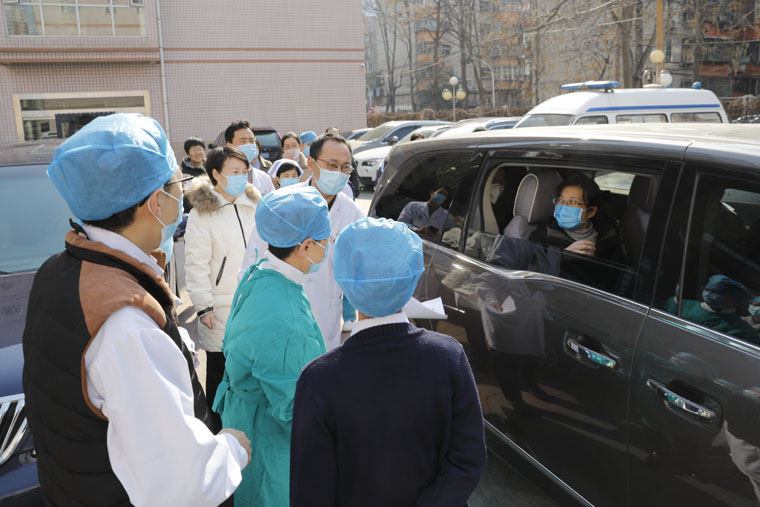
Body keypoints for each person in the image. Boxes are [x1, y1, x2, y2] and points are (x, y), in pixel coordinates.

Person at [22, 113, 250, 506]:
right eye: (176, 186)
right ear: (154, 202)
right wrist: (232, 446)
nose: (181, 197)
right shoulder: (126, 323)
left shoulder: (60, 269)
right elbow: (183, 484)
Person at [290, 217, 487, 506]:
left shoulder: (319, 379)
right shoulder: (448, 356)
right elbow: (468, 458)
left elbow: (311, 489)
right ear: (412, 279)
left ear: (343, 280)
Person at [214, 185, 330, 506]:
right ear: (306, 246)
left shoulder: (261, 274)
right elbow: (296, 409)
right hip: (266, 440)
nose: (327, 248)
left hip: (243, 417)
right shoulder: (287, 322)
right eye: (326, 242)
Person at [240, 133, 365, 350]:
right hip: (277, 310)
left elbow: (359, 269)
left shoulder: (351, 213)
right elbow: (253, 259)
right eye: (332, 165)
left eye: (345, 167)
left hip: (325, 314)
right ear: (311, 163)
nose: (339, 173)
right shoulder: (282, 204)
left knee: (321, 364)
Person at [184, 146, 260, 427]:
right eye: (234, 171)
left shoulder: (253, 205)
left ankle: (249, 428)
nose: (241, 177)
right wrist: (204, 307)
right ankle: (219, 429)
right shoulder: (202, 214)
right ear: (216, 174)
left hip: (255, 301)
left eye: (244, 171)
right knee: (221, 373)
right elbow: (196, 264)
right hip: (221, 307)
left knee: (252, 369)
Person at [665, 275, 759, 344]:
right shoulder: (678, 305)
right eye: (707, 290)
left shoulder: (743, 332)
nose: (709, 294)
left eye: (717, 292)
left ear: (734, 300)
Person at [224, 120, 276, 195]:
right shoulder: (221, 177)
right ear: (229, 145)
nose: (249, 145)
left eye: (251, 141)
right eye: (243, 141)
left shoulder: (264, 178)